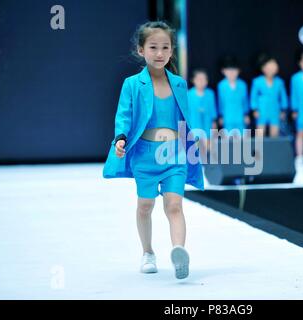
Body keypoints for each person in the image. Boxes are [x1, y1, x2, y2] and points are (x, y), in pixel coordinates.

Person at [102, 21, 204, 280]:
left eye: (165, 47)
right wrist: (121, 138)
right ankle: (147, 252)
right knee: (145, 205)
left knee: (174, 205)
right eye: (153, 47)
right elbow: (123, 115)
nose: (159, 53)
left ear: (171, 51)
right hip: (145, 154)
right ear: (141, 50)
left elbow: (186, 118)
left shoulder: (179, 84)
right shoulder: (133, 84)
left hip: (176, 154)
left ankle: (179, 252)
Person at [250, 54, 288, 137]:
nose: (273, 67)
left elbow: (283, 97)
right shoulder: (257, 81)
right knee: (259, 133)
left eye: (274, 65)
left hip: (275, 109)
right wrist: (255, 109)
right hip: (262, 109)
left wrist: (283, 110)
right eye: (270, 65)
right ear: (263, 68)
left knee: (274, 134)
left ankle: (273, 149)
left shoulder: (279, 82)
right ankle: (258, 150)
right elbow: (253, 97)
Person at [217, 56, 250, 138]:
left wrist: (246, 114)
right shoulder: (221, 85)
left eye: (234, 70)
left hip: (240, 117)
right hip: (227, 117)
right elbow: (220, 102)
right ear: (223, 71)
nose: (231, 73)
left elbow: (245, 101)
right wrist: (220, 116)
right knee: (228, 141)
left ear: (238, 71)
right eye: (229, 70)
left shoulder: (242, 85)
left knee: (242, 140)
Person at [187, 69, 217, 155]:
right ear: (193, 80)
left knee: (208, 151)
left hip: (207, 126)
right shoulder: (188, 94)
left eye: (204, 79)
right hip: (194, 126)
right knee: (194, 152)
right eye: (198, 79)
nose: (201, 82)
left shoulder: (210, 94)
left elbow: (213, 110)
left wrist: (214, 124)